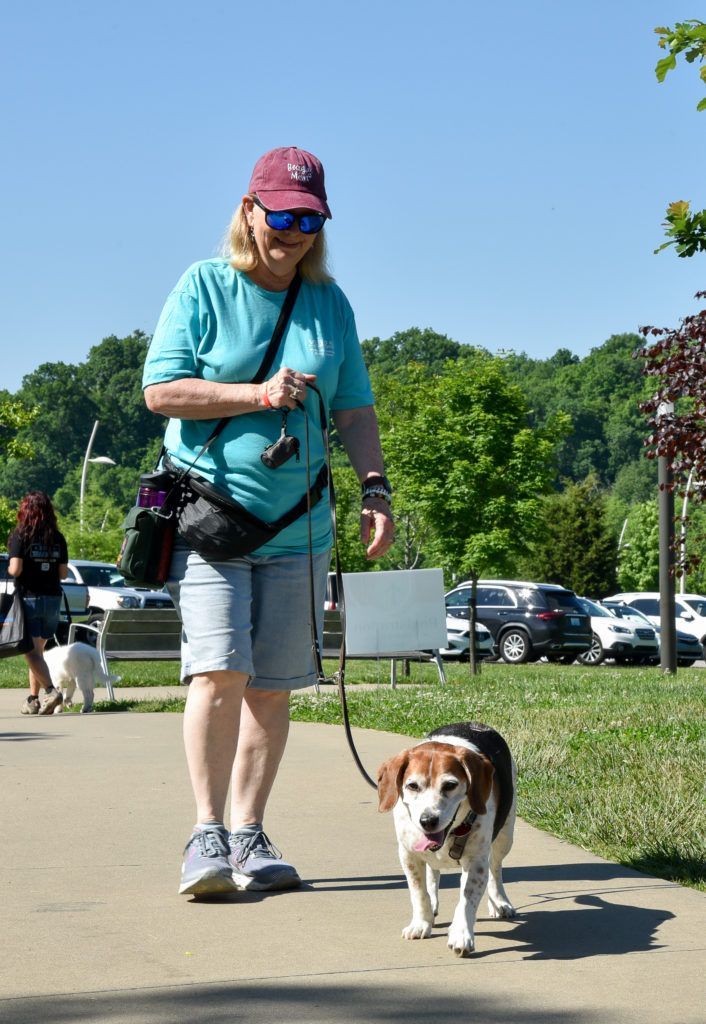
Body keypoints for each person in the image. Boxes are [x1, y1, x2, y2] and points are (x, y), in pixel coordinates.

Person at [143, 146, 395, 897]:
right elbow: (161, 392)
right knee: (219, 670)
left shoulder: (331, 303)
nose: (291, 232)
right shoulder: (204, 285)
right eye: (280, 214)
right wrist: (255, 395)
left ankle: (251, 835)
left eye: (308, 219)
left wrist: (374, 489)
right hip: (214, 520)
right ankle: (205, 835)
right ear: (248, 210)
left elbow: (354, 408)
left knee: (274, 686)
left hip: (300, 526)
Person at [8, 491, 68, 716]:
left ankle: (51, 691)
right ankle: (33, 700)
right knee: (37, 652)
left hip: (29, 598)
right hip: (52, 599)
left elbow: (15, 569)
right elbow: (62, 573)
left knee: (30, 652)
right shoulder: (58, 538)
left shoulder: (20, 535)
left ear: (25, 510)